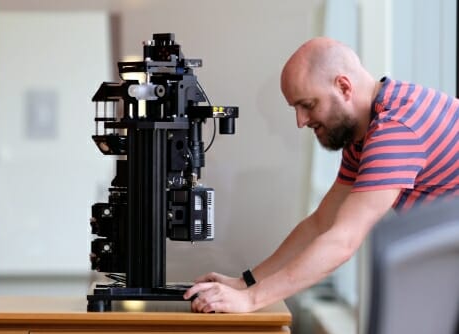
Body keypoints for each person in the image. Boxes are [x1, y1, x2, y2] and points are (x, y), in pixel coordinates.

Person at [183, 36, 459, 313]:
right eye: (295, 108)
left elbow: (343, 240)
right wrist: (246, 284)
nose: (300, 121)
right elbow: (322, 223)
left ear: (343, 87)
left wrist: (251, 300)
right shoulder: (367, 132)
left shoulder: (395, 129)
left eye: (308, 105)